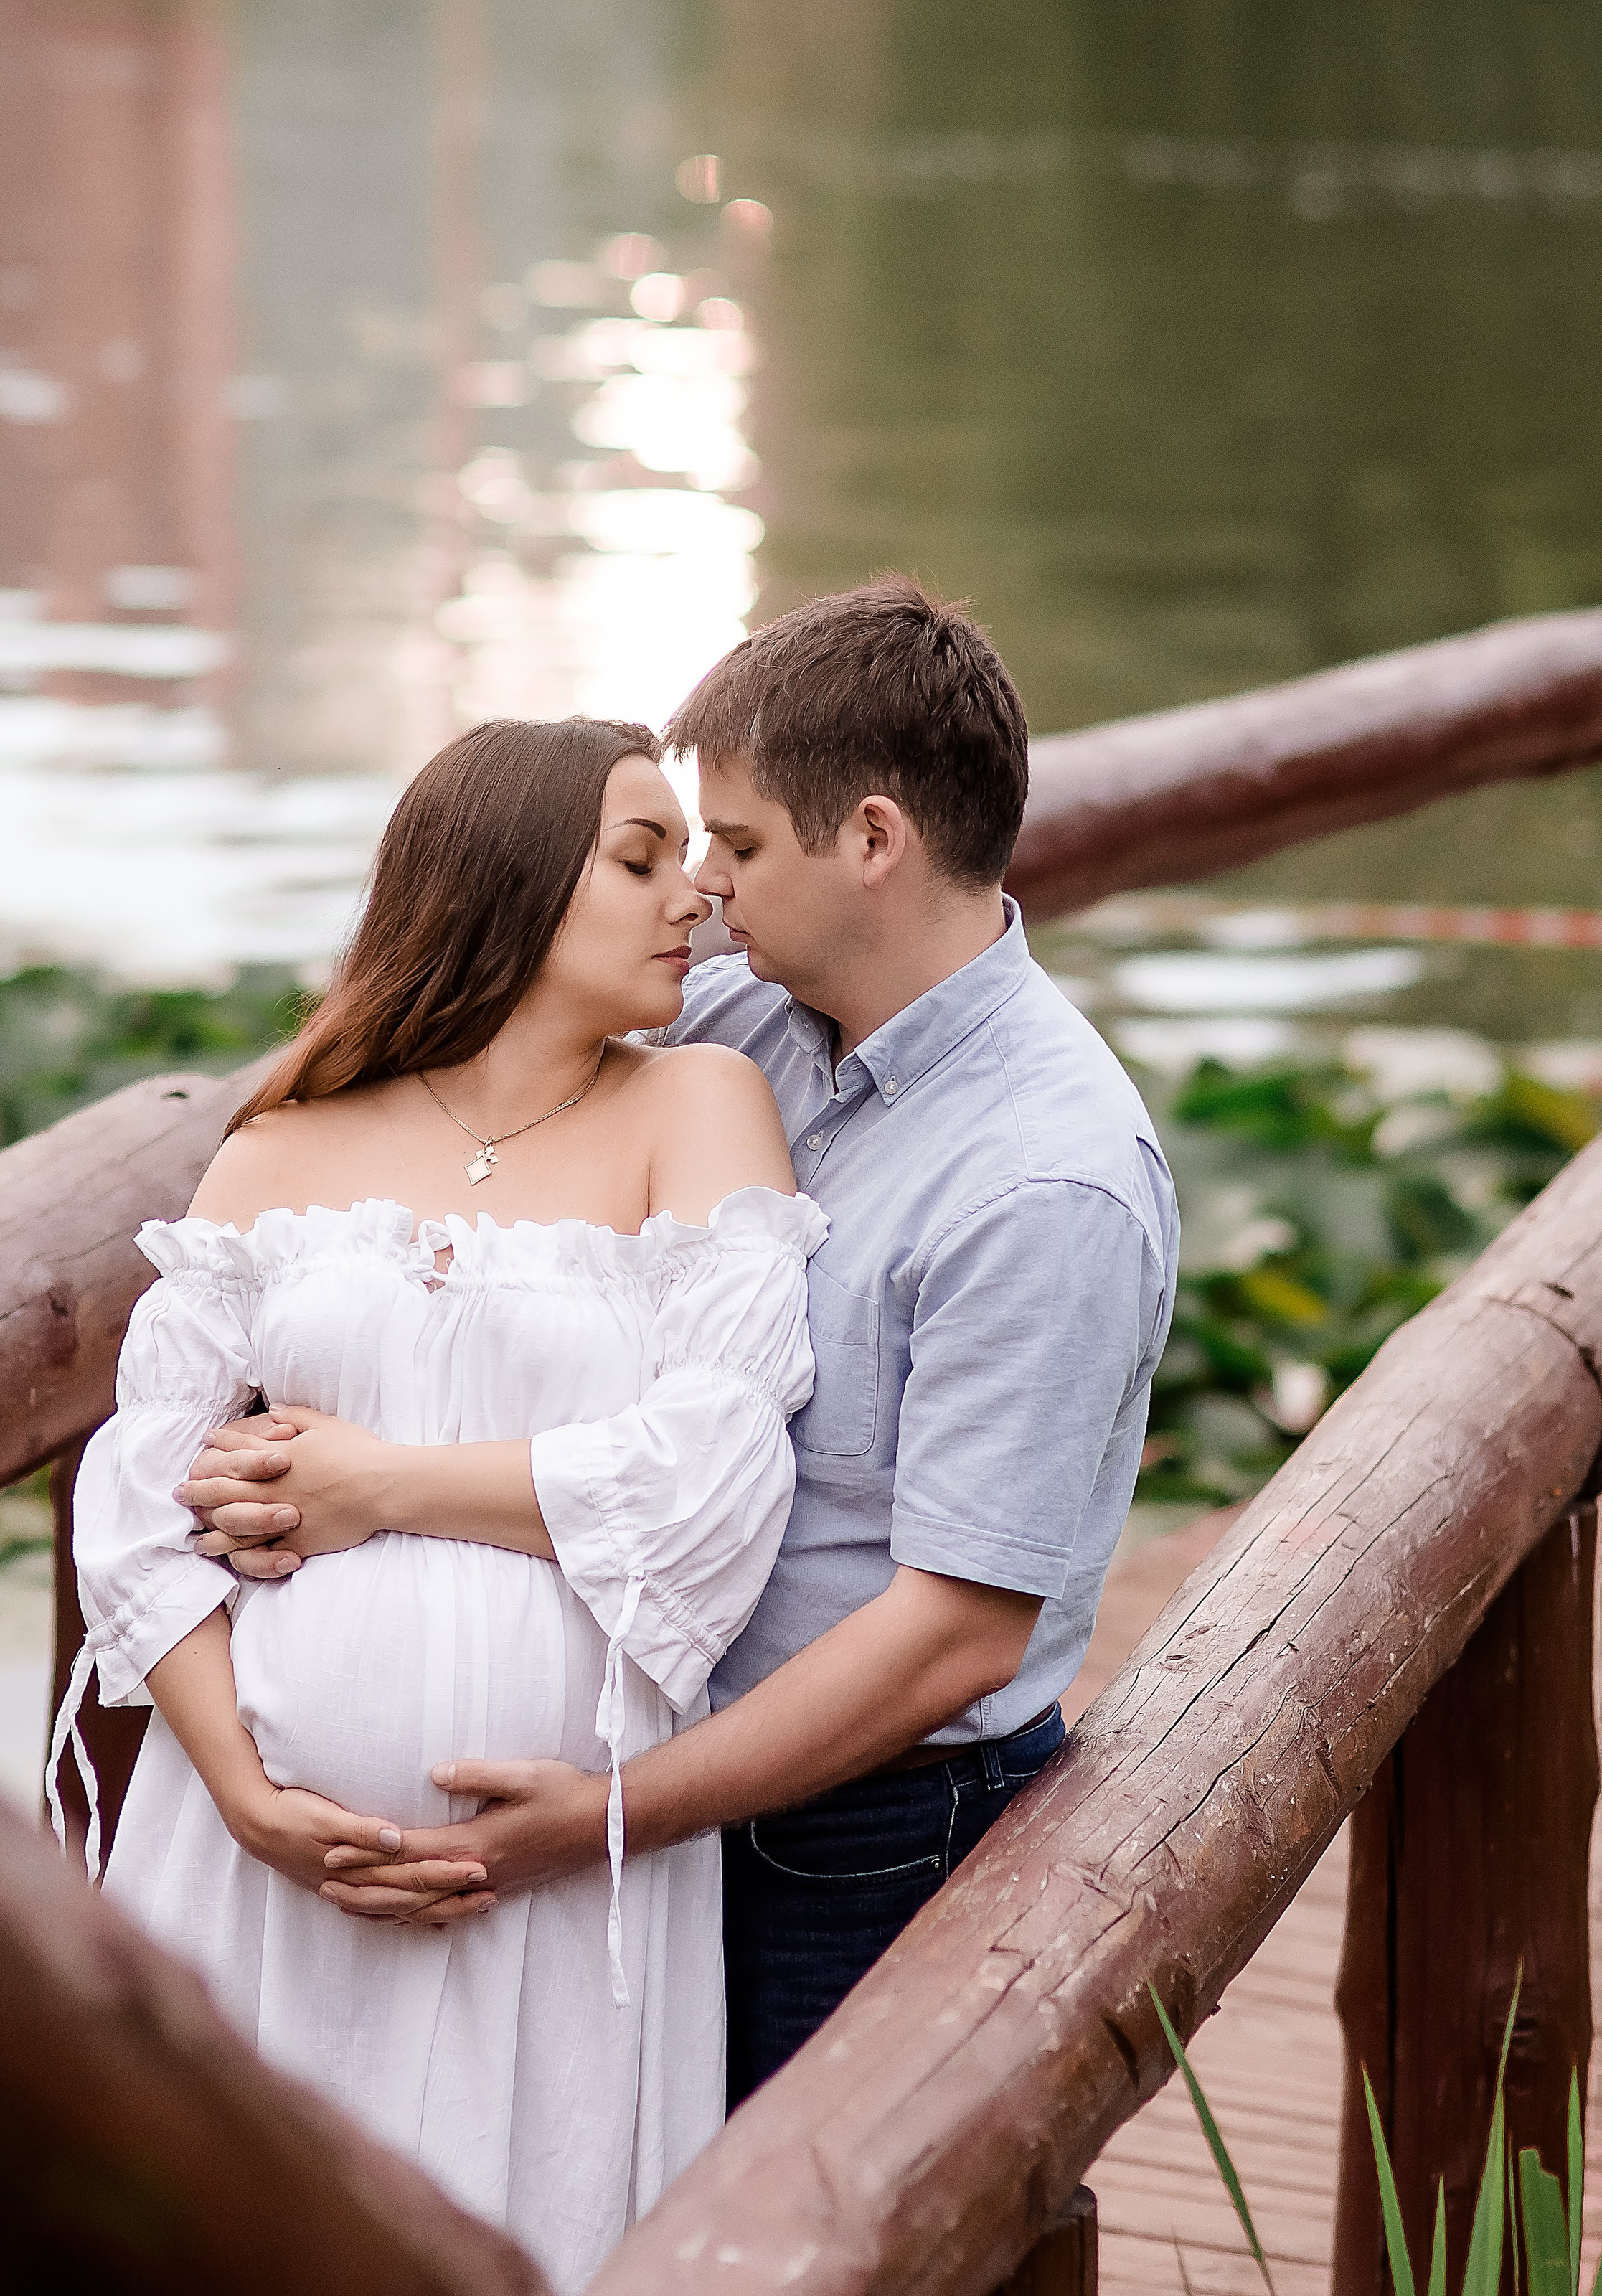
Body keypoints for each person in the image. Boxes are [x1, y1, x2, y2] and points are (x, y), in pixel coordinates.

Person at [183, 576, 1180, 2109]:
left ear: (868, 840)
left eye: (734, 843)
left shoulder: (1045, 1183)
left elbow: (955, 1636)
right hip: (638, 1801)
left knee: (802, 2240)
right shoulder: (740, 1025)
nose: (703, 888)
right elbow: (483, 1041)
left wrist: (603, 1812)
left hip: (858, 1838)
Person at [60, 715, 826, 2292]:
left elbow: (714, 1475)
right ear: (504, 880)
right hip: (260, 1868)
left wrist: (374, 1485)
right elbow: (140, 1503)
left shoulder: (694, 1106)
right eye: (638, 858)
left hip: (548, 1887)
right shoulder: (282, 1144)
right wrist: (251, 1801)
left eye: (693, 856)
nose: (692, 894)